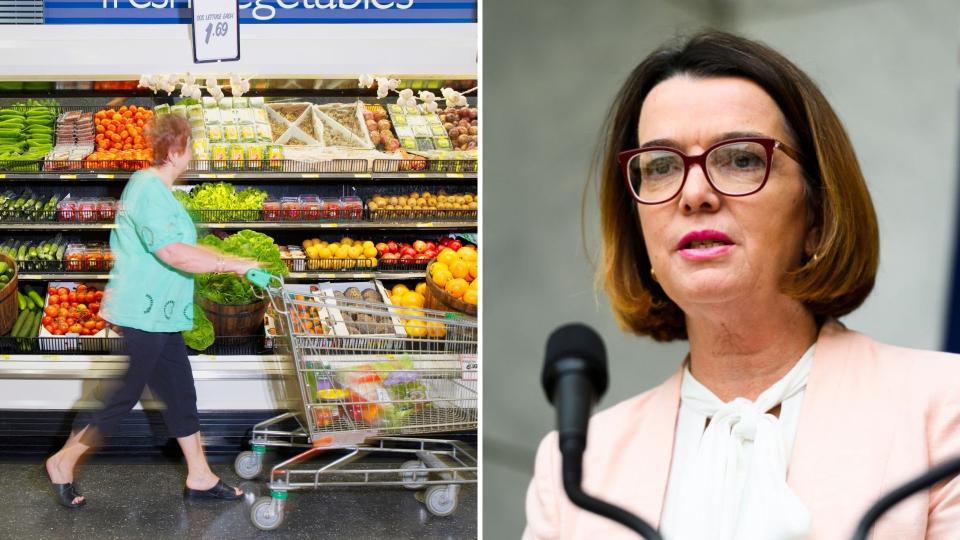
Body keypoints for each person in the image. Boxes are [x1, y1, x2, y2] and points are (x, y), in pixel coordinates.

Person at [524, 31, 960, 540]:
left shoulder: (942, 409)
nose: (694, 194)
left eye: (740, 158)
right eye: (661, 167)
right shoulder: (578, 469)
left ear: (816, 209)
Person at [43, 113, 261, 508]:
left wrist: (233, 258)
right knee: (122, 396)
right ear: (177, 149)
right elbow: (173, 252)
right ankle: (63, 461)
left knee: (180, 393)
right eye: (190, 146)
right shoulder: (148, 189)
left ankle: (199, 475)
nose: (192, 154)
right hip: (143, 313)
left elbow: (185, 246)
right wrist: (234, 265)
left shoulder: (156, 189)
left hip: (161, 313)